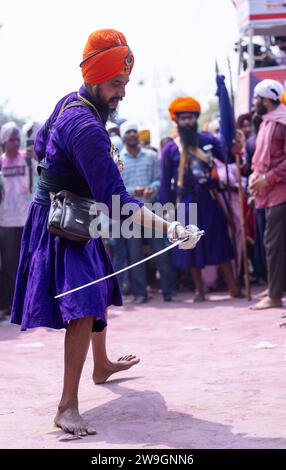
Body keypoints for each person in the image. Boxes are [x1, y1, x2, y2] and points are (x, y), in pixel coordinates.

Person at [11, 29, 201, 435]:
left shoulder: (73, 100)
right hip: (64, 221)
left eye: (126, 84)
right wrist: (172, 227)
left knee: (99, 290)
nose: (122, 94)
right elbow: (119, 202)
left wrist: (62, 173)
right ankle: (67, 406)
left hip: (79, 213)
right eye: (117, 84)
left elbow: (42, 144)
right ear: (95, 77)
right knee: (83, 304)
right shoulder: (87, 128)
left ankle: (100, 364)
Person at [160, 97, 239, 301]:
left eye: (190, 118)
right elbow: (164, 183)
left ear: (196, 119)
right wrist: (167, 213)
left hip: (209, 198)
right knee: (189, 244)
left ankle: (233, 288)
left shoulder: (209, 140)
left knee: (219, 242)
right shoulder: (170, 149)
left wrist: (235, 150)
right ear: (176, 121)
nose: (187, 122)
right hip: (186, 203)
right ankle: (199, 291)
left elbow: (228, 159)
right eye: (183, 118)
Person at [119, 120, 177, 303]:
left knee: (160, 251)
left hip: (152, 208)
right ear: (123, 136)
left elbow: (160, 180)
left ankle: (169, 291)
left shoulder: (151, 156)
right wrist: (133, 191)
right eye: (128, 132)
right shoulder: (118, 160)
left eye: (134, 131)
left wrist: (152, 188)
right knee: (135, 256)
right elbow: (117, 188)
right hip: (130, 212)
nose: (132, 135)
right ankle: (140, 294)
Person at [249, 79, 286, 310]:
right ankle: (275, 287)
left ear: (266, 100)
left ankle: (274, 296)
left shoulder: (282, 123)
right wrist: (255, 177)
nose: (255, 103)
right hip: (266, 193)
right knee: (271, 244)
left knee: (274, 245)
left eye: (257, 99)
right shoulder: (265, 122)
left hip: (280, 192)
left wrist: (268, 178)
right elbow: (260, 159)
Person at [0, 122, 35, 320]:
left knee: (28, 264)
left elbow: (44, 175)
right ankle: (8, 306)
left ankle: (28, 305)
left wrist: (37, 158)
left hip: (26, 220)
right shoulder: (1, 162)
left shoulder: (28, 160)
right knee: (9, 266)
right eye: (10, 140)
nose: (14, 143)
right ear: (3, 142)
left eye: (17, 139)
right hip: (5, 222)